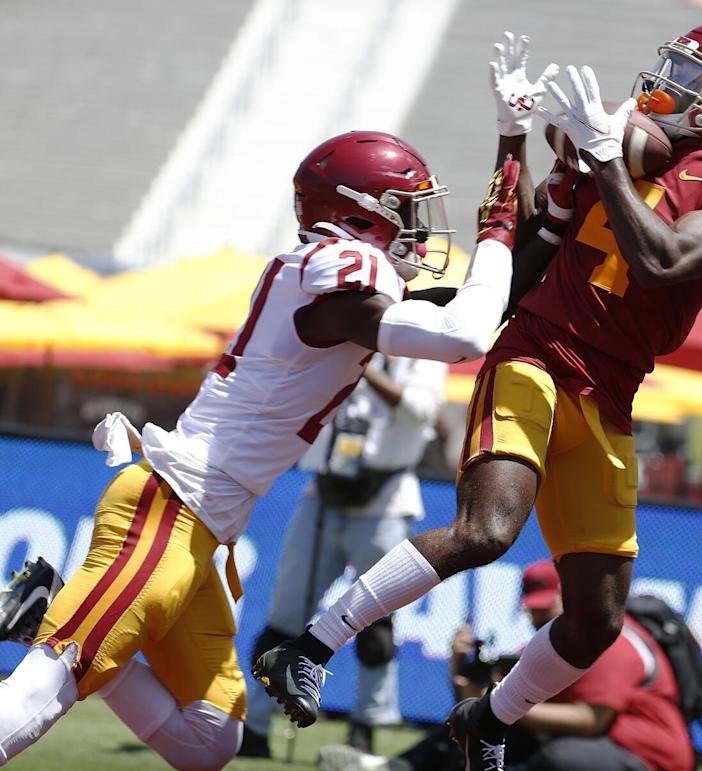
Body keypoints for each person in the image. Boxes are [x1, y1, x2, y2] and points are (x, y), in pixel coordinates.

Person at [257, 23, 702, 771]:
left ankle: (491, 718)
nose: (669, 84)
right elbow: (524, 257)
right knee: (487, 531)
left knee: (597, 620)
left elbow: (663, 258)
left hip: (610, 392)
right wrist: (526, 143)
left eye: (696, 78)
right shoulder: (626, 145)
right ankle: (310, 646)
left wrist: (603, 156)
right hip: (536, 355)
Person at [0, 131, 522, 769]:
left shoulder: (331, 281)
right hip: (170, 508)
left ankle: (44, 609)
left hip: (205, 524)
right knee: (51, 681)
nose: (418, 233)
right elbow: (465, 331)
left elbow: (468, 313)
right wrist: (498, 226)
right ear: (358, 214)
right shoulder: (334, 272)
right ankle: (53, 625)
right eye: (404, 212)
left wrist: (519, 164)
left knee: (210, 739)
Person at [240, 353, 446, 757]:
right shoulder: (343, 341)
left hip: (385, 499)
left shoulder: (424, 351)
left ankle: (365, 724)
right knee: (283, 621)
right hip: (324, 493)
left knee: (377, 626)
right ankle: (257, 726)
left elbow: (420, 412)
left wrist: (365, 367)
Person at [315, 560, 695, 771]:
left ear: (572, 595)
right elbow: (483, 706)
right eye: (533, 611)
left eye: (547, 608)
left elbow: (593, 720)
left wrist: (501, 709)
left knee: (556, 761)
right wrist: (460, 670)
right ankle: (393, 768)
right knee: (474, 728)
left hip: (646, 758)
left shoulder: (610, 638)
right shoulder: (550, 639)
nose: (537, 618)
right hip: (595, 745)